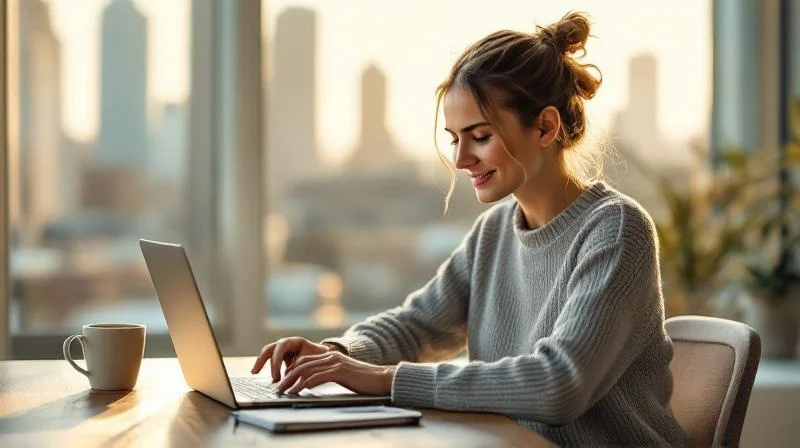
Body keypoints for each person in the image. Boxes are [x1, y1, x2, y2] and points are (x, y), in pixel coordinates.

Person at [251, 11, 690, 447]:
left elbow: (559, 384)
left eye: (479, 137)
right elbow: (417, 326)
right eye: (454, 138)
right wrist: (338, 354)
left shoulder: (616, 230)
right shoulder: (494, 230)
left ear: (545, 127)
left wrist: (385, 379)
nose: (461, 160)